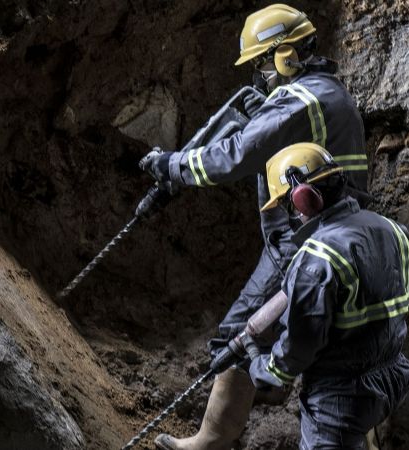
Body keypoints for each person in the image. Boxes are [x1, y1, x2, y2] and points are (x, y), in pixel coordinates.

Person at [140, 5, 370, 450]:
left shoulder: (300, 100)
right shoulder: (326, 93)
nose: (262, 74)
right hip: (326, 234)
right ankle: (270, 388)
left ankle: (213, 440)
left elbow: (236, 155)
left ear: (285, 55)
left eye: (263, 63)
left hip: (306, 243)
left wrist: (173, 166)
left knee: (236, 336)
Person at [246, 142, 409, 449]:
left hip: (341, 400)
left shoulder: (316, 258)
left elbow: (299, 347)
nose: (292, 216)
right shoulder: (393, 230)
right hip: (392, 378)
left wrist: (267, 368)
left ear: (303, 199)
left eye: (289, 206)